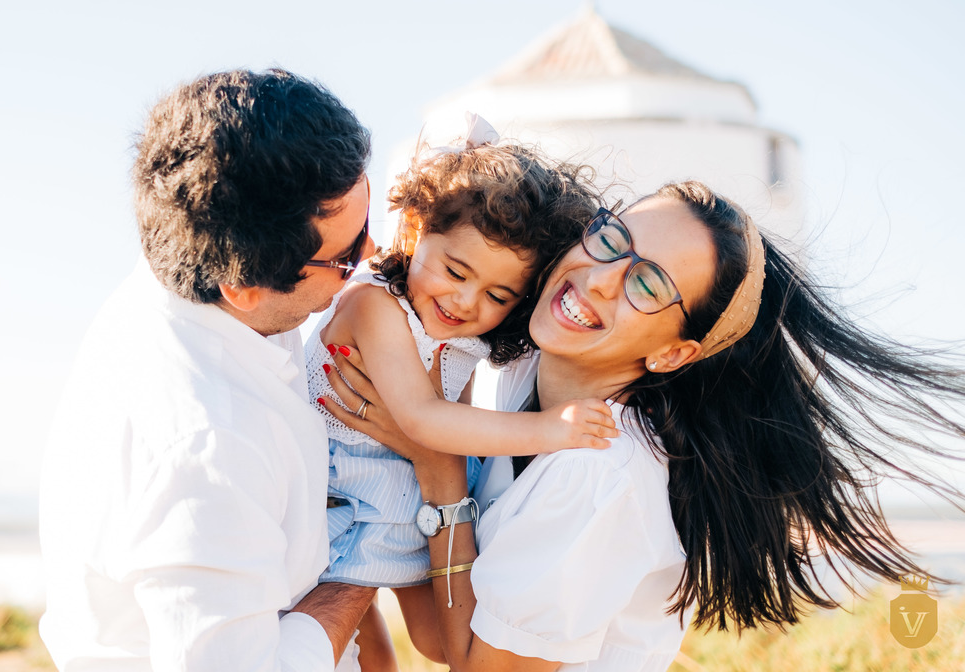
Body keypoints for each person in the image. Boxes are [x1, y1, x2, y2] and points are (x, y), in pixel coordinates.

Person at [325, 180, 965, 671]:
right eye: (609, 239)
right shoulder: (516, 373)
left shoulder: (598, 473)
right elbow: (447, 636)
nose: (600, 280)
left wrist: (435, 467)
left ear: (673, 354)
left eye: (648, 283)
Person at [39, 69, 379, 671]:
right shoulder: (207, 445)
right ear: (245, 285)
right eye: (345, 255)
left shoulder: (184, 260)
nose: (371, 254)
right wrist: (366, 560)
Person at [304, 115, 616, 659]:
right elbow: (424, 419)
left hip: (407, 492)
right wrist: (547, 430)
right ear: (414, 233)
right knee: (348, 641)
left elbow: (457, 423)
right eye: (455, 270)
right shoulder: (375, 305)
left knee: (442, 643)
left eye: (498, 296)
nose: (467, 303)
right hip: (347, 496)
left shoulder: (464, 338)